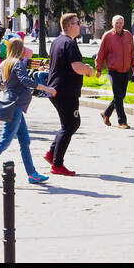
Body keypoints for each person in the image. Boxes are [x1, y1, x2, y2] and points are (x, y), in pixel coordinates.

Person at [0, 34, 54, 186]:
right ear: (21, 49)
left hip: (13, 105)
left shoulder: (5, 63)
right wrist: (46, 88)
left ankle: (32, 174)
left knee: (25, 141)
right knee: (4, 141)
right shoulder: (16, 63)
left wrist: (8, 88)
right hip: (14, 106)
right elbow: (25, 80)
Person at [44, 13, 94, 177]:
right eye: (77, 23)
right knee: (71, 125)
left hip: (56, 89)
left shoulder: (57, 41)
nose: (80, 25)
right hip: (65, 91)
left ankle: (52, 153)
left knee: (70, 124)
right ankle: (57, 164)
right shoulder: (69, 43)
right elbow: (77, 67)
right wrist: (88, 69)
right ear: (70, 25)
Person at [95, 14, 134, 129]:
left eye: (120, 23)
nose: (118, 25)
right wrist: (98, 69)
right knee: (118, 96)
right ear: (112, 24)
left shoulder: (128, 35)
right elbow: (101, 54)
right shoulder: (107, 36)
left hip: (125, 70)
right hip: (113, 71)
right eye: (116, 23)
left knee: (121, 95)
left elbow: (132, 51)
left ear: (123, 24)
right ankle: (122, 121)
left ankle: (106, 113)